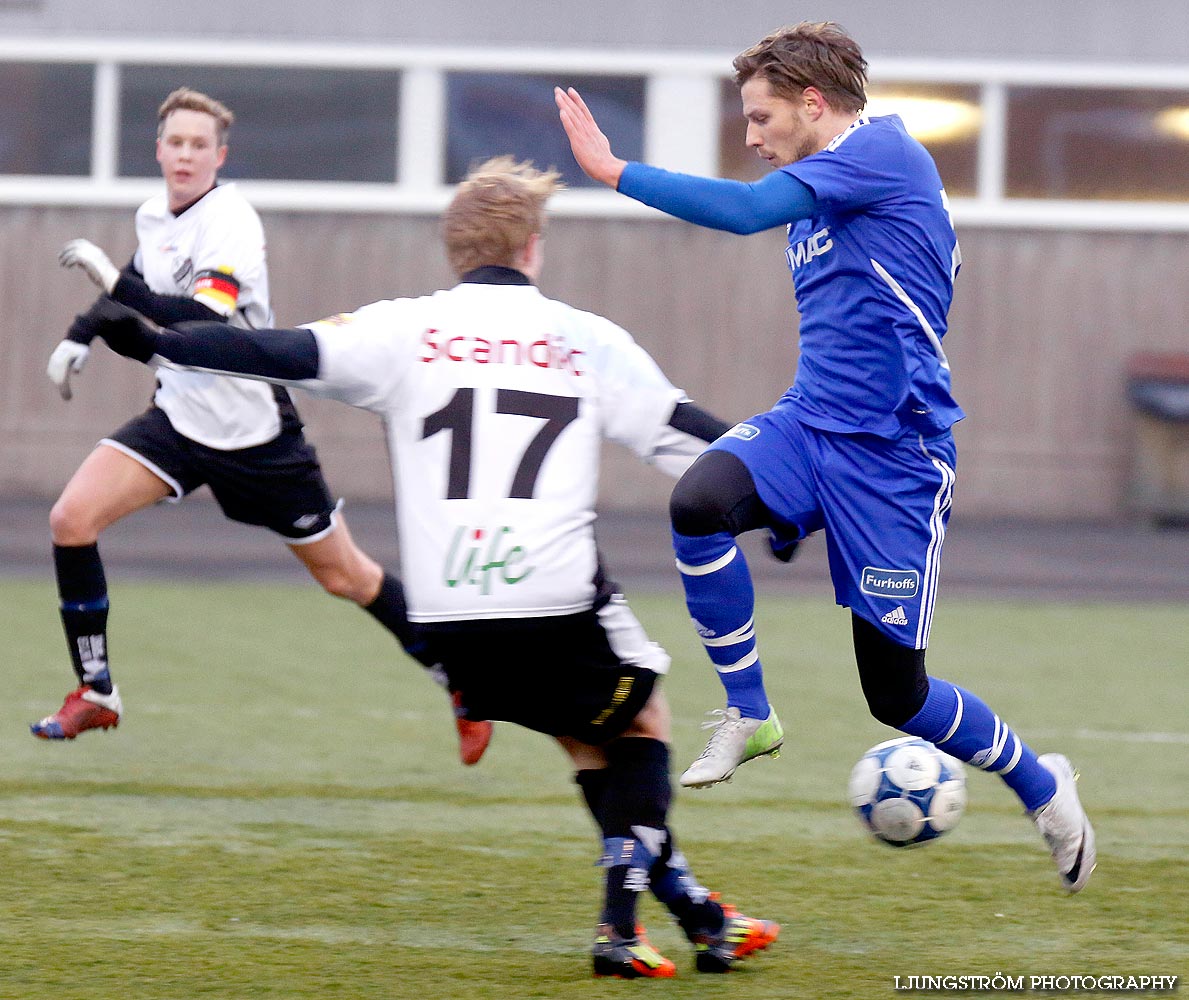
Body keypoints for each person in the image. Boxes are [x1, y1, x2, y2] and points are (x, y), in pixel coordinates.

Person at [85, 155, 780, 977]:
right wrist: (777, 497)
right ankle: (620, 931)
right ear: (533, 246)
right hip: (554, 595)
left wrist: (165, 343)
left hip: (450, 618)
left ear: (455, 250)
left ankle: (699, 916)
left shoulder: (403, 329)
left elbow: (276, 350)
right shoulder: (585, 338)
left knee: (588, 743)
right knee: (644, 720)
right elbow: (686, 431)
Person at [556, 21, 1095, 893]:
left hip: (895, 462)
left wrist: (614, 169)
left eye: (760, 116)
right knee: (698, 503)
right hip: (811, 426)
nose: (750, 136)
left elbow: (738, 212)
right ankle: (750, 712)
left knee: (898, 697)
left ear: (814, 103)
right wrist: (779, 504)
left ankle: (1042, 783)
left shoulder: (882, 156)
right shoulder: (822, 183)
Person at [33, 86, 492, 767]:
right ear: (158, 150)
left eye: (199, 145)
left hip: (254, 434)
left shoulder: (234, 223)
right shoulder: (155, 214)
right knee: (70, 520)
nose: (185, 154)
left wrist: (117, 295)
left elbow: (203, 321)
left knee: (347, 577)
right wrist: (81, 333)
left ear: (220, 155)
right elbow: (134, 281)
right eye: (175, 142)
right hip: (179, 421)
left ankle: (458, 680)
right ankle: (97, 689)